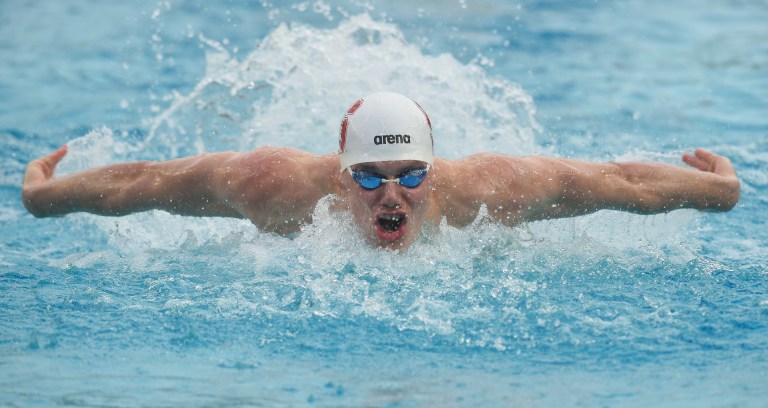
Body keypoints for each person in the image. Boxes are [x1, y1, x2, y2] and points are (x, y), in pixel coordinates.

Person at [22, 92, 740, 250]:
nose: (391, 194)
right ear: (340, 178)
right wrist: (45, 199)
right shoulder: (273, 186)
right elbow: (143, 183)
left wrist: (721, 189)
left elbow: (621, 184)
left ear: (436, 171)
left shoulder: (485, 192)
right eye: (370, 176)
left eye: (409, 175)